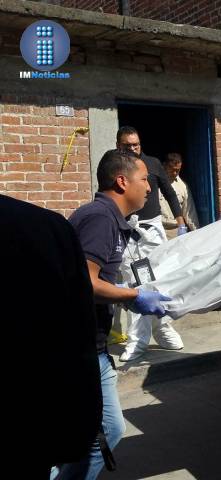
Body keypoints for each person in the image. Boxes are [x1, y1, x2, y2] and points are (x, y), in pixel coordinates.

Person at [54, 149, 173, 479]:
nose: (149, 187)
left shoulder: (104, 217)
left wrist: (122, 292)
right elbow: (85, 282)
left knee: (84, 433)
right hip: (81, 346)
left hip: (88, 343)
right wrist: (133, 296)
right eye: (144, 179)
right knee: (108, 429)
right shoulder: (101, 218)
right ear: (122, 182)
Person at [1, 194, 101, 479]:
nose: (149, 188)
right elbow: (76, 340)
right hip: (26, 430)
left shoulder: (47, 227)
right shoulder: (44, 227)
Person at [116, 126, 185, 362]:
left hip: (153, 229)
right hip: (127, 229)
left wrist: (181, 222)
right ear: (119, 146)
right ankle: (137, 340)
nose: (132, 149)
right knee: (134, 284)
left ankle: (162, 328)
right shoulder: (114, 166)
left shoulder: (153, 163)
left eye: (135, 144)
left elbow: (170, 193)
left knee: (159, 280)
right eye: (127, 145)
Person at [159, 152, 199, 239]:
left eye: (177, 170)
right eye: (172, 169)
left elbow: (189, 212)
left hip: (175, 230)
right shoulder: (155, 184)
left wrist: (197, 233)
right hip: (158, 230)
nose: (175, 173)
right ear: (164, 165)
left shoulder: (183, 186)